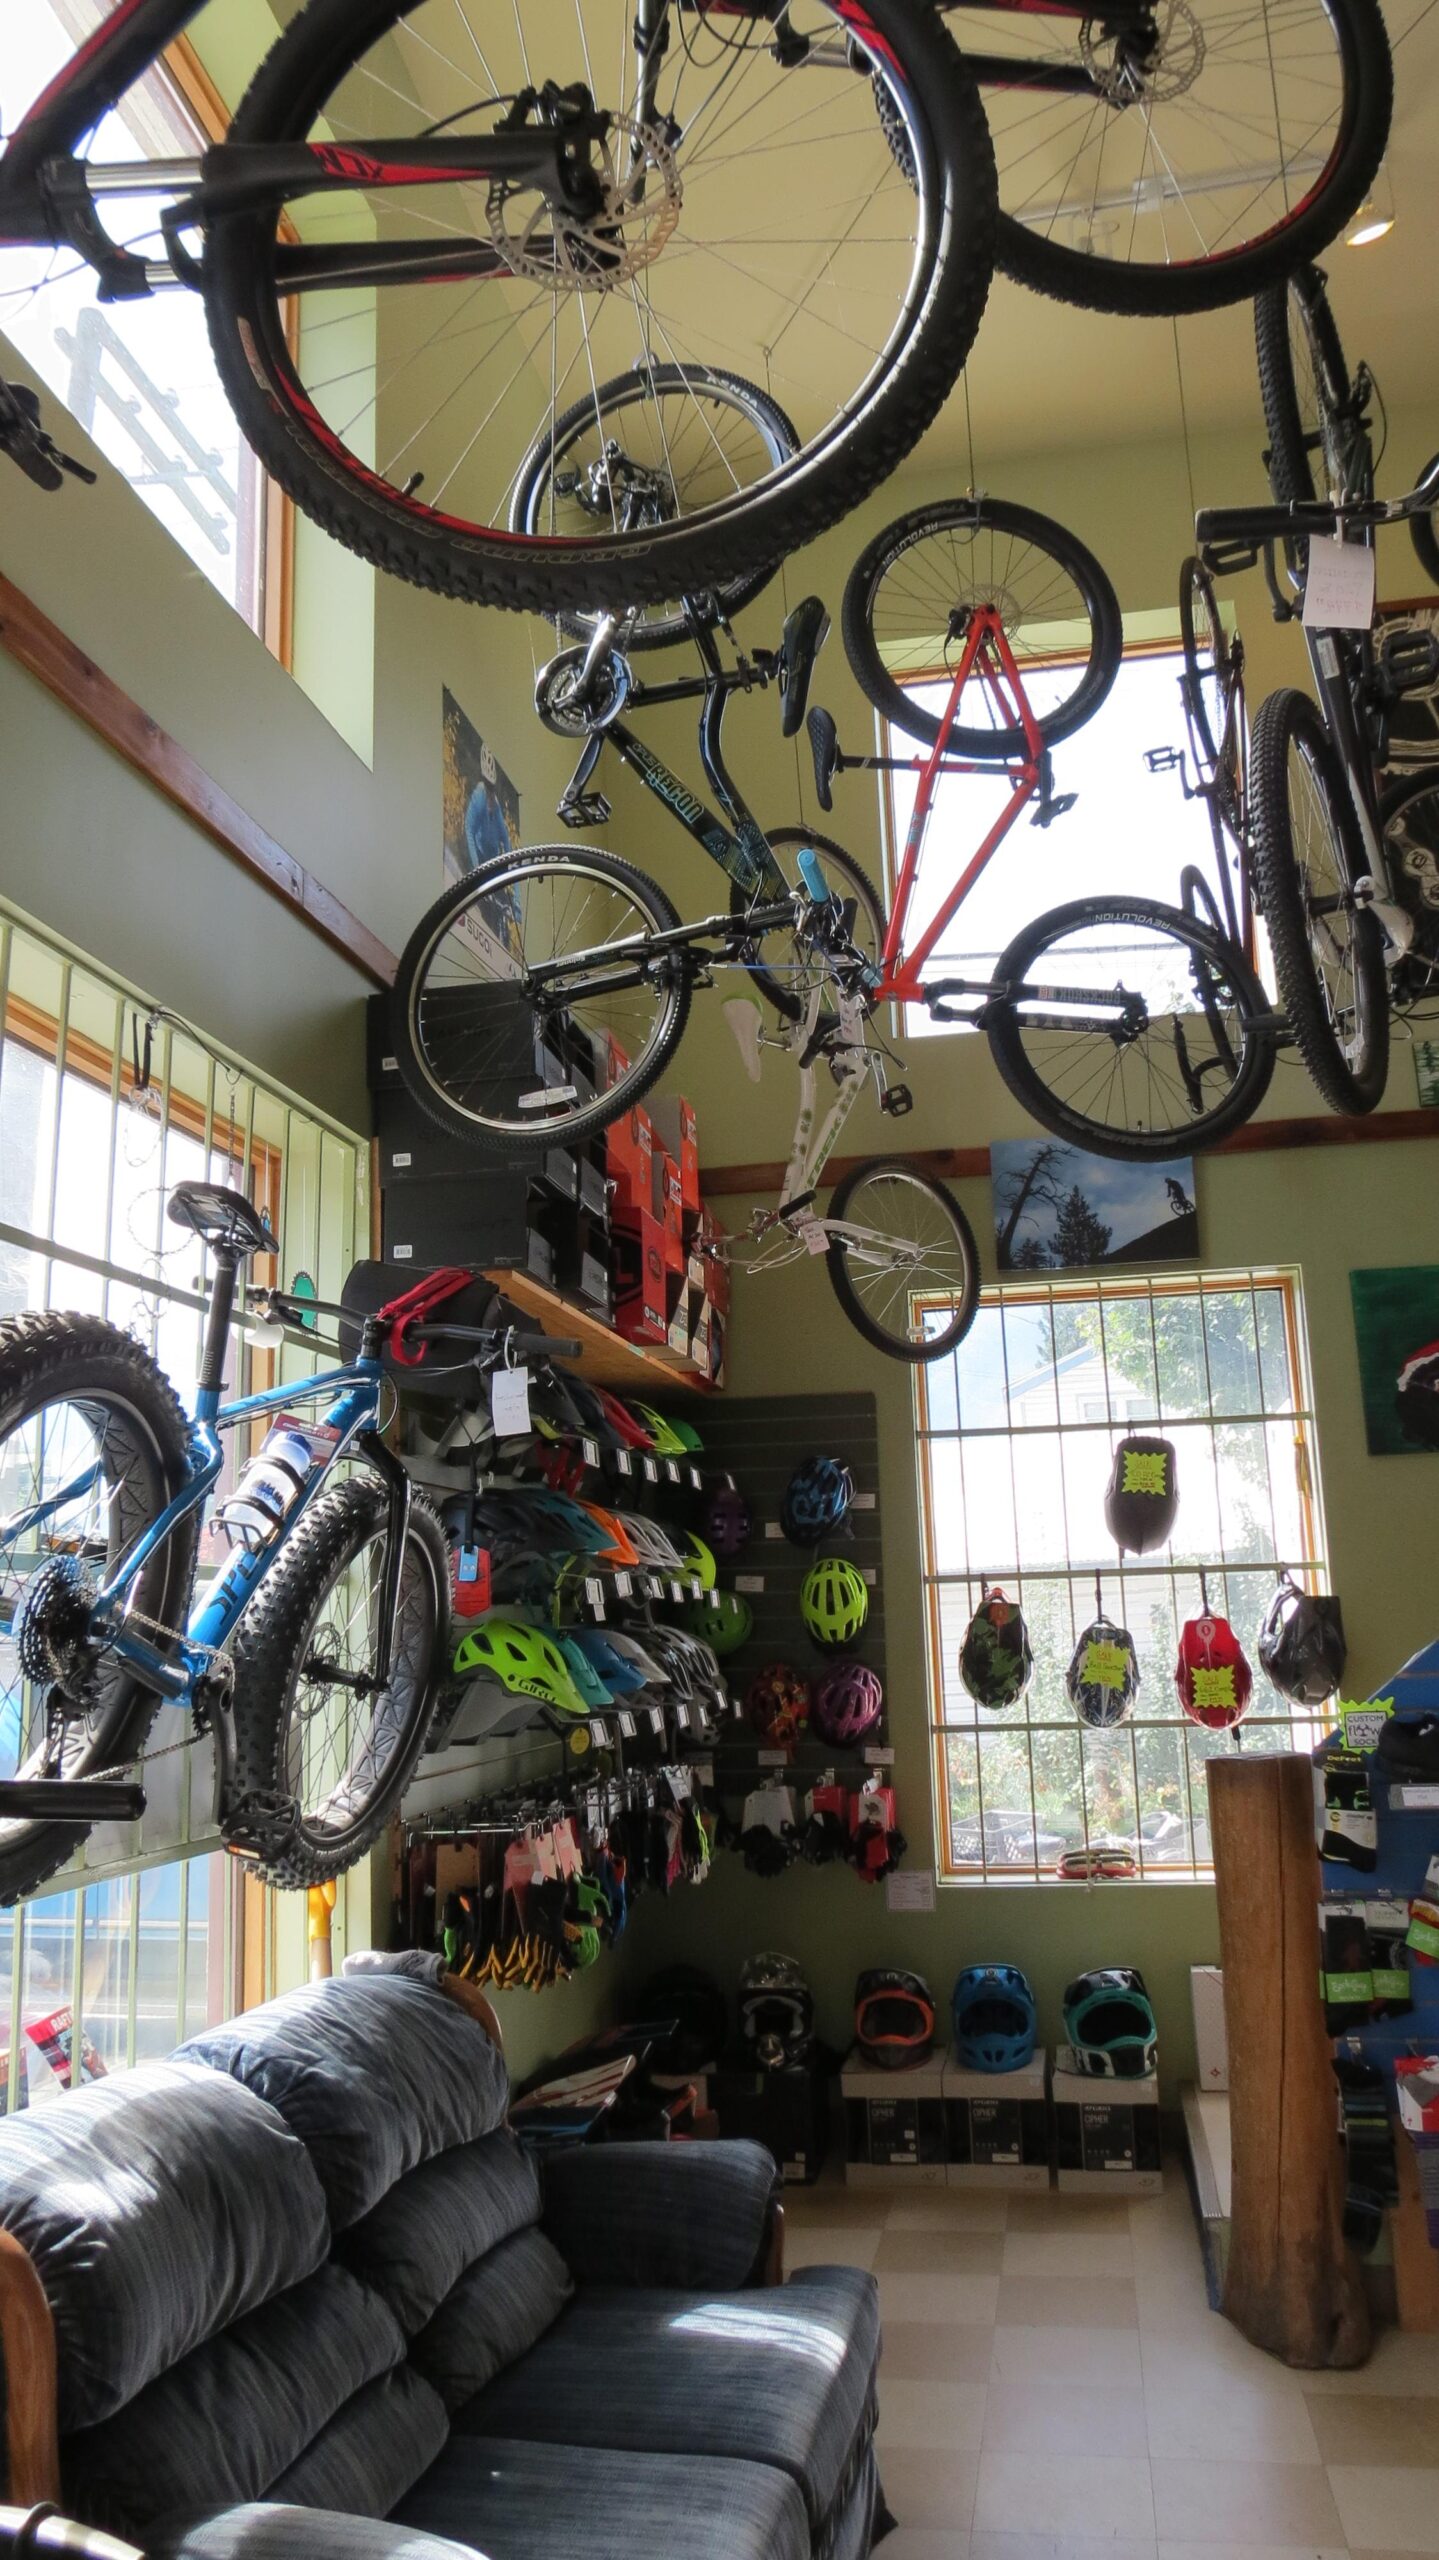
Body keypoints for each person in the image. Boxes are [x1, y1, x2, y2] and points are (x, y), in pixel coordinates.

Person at [464, 740, 513, 870]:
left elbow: (506, 840)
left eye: (493, 789)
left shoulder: (496, 808)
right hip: (480, 852)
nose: (491, 796)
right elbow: (469, 829)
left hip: (492, 857)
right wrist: (476, 866)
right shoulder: (479, 798)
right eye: (488, 788)